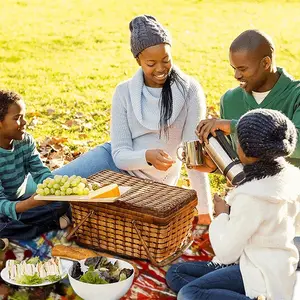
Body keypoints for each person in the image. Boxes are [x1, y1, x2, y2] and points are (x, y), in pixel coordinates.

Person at [49, 15, 214, 223]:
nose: (161, 69)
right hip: (112, 163)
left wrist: (205, 211)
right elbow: (119, 154)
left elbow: (193, 157)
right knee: (48, 190)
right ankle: (12, 215)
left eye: (166, 60)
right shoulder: (124, 92)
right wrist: (146, 156)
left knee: (68, 208)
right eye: (151, 63)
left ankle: (61, 216)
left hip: (148, 187)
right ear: (138, 60)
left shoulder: (190, 91)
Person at [166, 108, 300, 300]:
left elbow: (226, 252)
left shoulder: (252, 196)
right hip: (273, 265)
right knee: (176, 273)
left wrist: (222, 215)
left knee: (188, 293)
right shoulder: (291, 177)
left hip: (259, 273)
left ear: (245, 150)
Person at [0, 90, 70, 240]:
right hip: (5, 208)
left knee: (64, 203)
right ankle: (48, 225)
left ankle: (29, 229)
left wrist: (53, 189)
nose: (24, 122)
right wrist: (29, 204)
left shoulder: (25, 141)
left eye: (24, 116)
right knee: (3, 225)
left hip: (20, 202)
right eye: (17, 118)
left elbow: (40, 172)